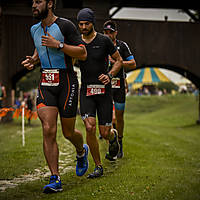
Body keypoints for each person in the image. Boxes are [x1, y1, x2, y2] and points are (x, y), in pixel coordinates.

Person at [21, 0, 89, 193]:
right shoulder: (34, 29)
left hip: (66, 81)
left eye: (38, 1)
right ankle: (55, 177)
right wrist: (33, 60)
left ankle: (81, 151)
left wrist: (58, 44)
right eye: (32, 2)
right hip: (46, 82)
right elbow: (39, 47)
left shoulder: (65, 25)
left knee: (68, 133)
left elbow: (82, 53)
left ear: (50, 4)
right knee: (48, 129)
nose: (33, 5)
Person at [77, 8, 123, 178]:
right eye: (80, 24)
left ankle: (113, 136)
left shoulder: (104, 41)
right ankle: (98, 166)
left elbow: (119, 60)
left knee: (104, 132)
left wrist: (110, 75)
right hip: (86, 91)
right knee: (89, 127)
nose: (83, 27)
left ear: (92, 23)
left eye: (86, 23)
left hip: (104, 92)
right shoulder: (77, 42)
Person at [103, 20, 136, 158]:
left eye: (111, 32)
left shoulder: (122, 46)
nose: (108, 34)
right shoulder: (101, 45)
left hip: (119, 85)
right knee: (110, 117)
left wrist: (118, 63)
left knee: (120, 116)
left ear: (116, 33)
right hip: (105, 85)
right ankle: (112, 143)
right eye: (106, 32)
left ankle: (120, 142)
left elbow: (133, 64)